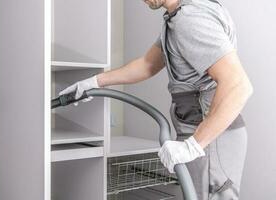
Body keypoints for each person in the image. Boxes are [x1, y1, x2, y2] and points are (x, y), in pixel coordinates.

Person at [59, 0, 253, 199]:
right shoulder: (179, 16)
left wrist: (193, 145)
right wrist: (94, 82)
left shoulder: (190, 19)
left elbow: (238, 85)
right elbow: (148, 64)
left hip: (209, 137)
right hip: (202, 132)